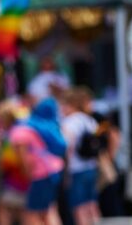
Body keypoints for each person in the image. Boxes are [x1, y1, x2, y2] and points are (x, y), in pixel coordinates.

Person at [10, 98, 66, 225]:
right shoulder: (39, 126)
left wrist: (27, 174)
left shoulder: (20, 131)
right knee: (49, 210)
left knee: (32, 214)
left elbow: (22, 157)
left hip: (40, 174)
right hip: (54, 170)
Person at [61, 88, 101, 225]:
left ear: (71, 104)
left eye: (64, 104)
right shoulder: (90, 120)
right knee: (92, 204)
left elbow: (68, 146)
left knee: (79, 207)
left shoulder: (70, 122)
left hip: (76, 168)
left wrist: (65, 168)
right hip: (91, 166)